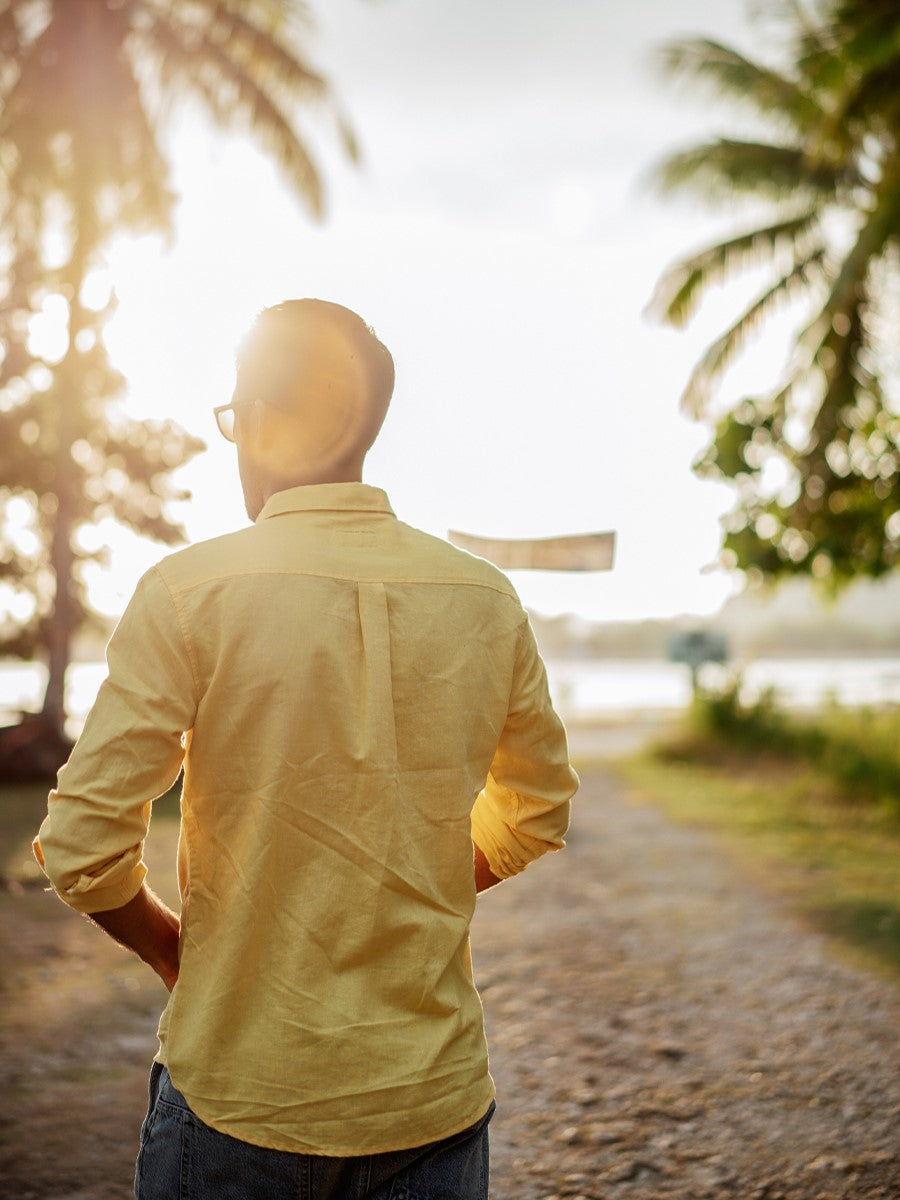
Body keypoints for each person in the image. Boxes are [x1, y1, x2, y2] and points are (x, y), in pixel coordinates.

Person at [33, 298, 579, 1200]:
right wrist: (420, 875)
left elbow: (85, 849)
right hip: (429, 1104)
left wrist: (173, 952)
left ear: (255, 420)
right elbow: (537, 810)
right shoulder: (483, 598)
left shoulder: (186, 593)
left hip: (236, 1099)